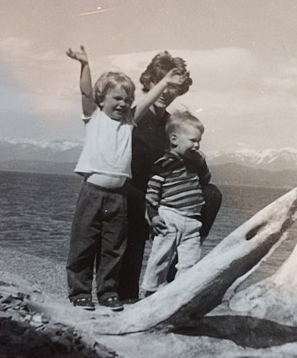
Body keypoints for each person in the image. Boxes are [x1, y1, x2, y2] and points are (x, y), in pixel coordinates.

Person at [65, 46, 185, 311]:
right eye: (115, 98)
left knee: (113, 249)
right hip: (92, 193)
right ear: (102, 100)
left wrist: (165, 81)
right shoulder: (94, 118)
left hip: (118, 196)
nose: (121, 103)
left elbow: (145, 100)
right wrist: (85, 64)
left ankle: (108, 292)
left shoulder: (130, 121)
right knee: (84, 244)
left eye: (125, 99)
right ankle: (79, 292)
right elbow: (85, 91)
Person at [117, 51, 222, 301]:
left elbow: (189, 165)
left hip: (165, 194)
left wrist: (197, 159)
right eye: (159, 83)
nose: (166, 92)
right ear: (149, 82)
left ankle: (179, 273)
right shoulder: (135, 115)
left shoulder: (171, 124)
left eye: (173, 87)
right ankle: (128, 293)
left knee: (211, 193)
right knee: (135, 201)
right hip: (135, 190)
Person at [140, 110, 211, 296]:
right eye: (193, 140)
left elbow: (206, 179)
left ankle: (179, 294)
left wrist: (202, 163)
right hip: (169, 217)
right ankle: (150, 292)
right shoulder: (163, 164)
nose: (197, 145)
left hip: (192, 220)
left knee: (190, 260)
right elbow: (152, 193)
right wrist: (154, 216)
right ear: (174, 139)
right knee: (160, 257)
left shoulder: (194, 162)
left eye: (199, 141)